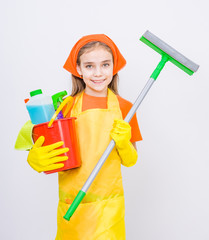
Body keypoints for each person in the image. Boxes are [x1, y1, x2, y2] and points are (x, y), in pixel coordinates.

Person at [17, 34, 143, 239]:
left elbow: (131, 161)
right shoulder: (64, 107)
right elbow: (42, 144)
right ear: (79, 69)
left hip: (108, 210)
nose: (98, 73)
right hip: (72, 208)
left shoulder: (125, 108)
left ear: (114, 67)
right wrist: (35, 157)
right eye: (89, 66)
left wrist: (123, 144)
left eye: (105, 64)